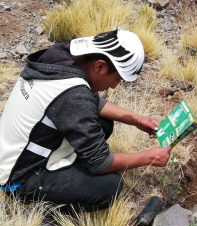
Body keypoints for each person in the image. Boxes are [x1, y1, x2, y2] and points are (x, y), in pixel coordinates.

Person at [0, 27, 171, 212]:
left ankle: (71, 166)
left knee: (103, 124)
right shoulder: (73, 95)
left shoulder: (59, 58)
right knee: (110, 187)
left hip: (12, 155)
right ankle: (43, 212)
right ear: (100, 66)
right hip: (19, 178)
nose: (114, 86)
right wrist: (148, 157)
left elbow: (91, 102)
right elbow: (100, 163)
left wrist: (136, 119)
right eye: (117, 79)